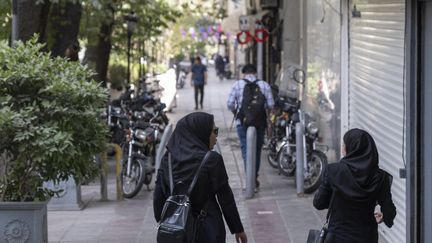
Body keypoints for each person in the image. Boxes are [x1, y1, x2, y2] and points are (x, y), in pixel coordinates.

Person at [153, 112, 247, 243]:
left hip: (177, 233)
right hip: (208, 229)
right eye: (214, 131)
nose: (216, 137)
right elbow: (225, 198)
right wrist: (238, 229)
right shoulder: (212, 160)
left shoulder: (167, 159)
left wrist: (168, 222)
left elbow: (158, 197)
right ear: (201, 133)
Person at [313, 128, 397, 243]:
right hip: (367, 237)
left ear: (350, 148)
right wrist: (384, 216)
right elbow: (389, 211)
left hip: (338, 237)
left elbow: (319, 203)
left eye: (344, 145)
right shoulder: (381, 177)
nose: (342, 148)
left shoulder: (334, 171)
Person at [226, 64, 274, 188]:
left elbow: (230, 104)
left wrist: (236, 112)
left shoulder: (237, 85)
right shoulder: (264, 85)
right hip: (259, 123)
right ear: (254, 72)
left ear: (244, 73)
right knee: (257, 151)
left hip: (242, 122)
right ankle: (254, 177)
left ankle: (249, 179)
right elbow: (270, 105)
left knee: (245, 149)